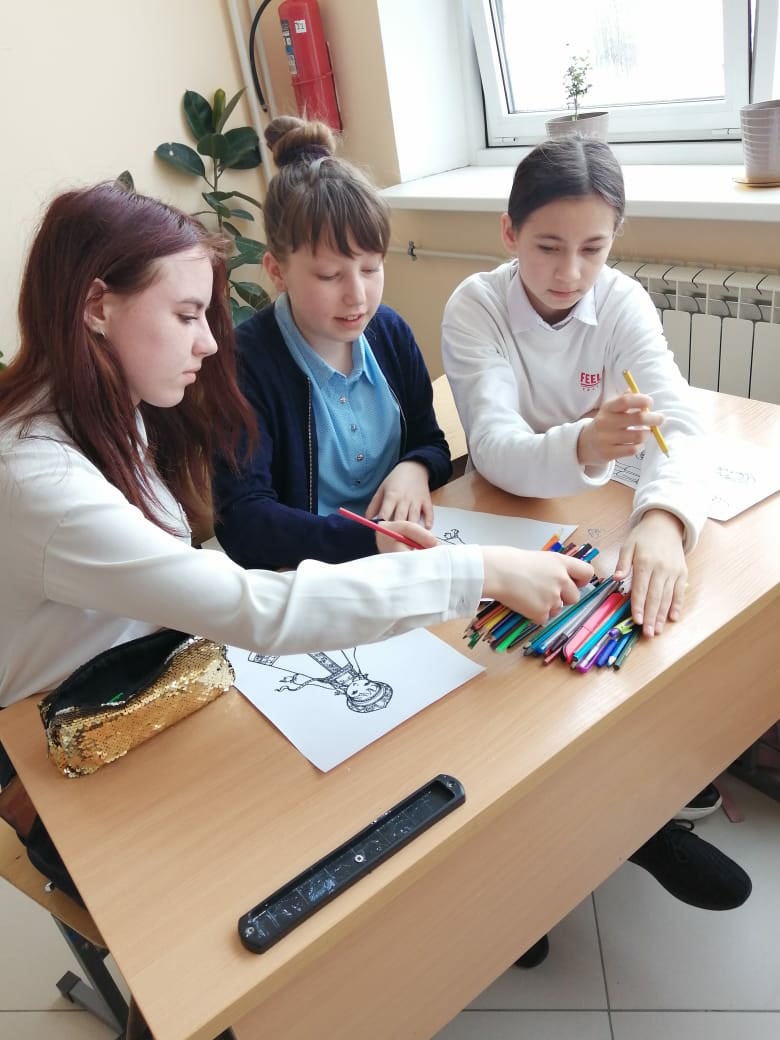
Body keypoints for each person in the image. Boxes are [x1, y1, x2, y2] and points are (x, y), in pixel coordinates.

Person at [0, 181, 594, 850]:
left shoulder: (109, 415)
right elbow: (254, 606)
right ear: (96, 307)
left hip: (160, 689)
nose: (208, 343)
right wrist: (478, 570)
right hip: (70, 740)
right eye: (187, 316)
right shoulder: (38, 479)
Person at [440, 135, 750, 968]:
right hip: (502, 514)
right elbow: (495, 449)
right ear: (509, 232)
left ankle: (629, 822)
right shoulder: (475, 305)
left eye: (593, 249)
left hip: (593, 514)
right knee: (506, 693)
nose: (570, 272)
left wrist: (664, 520)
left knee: (618, 652)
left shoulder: (622, 301)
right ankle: (535, 867)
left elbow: (683, 427)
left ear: (615, 243)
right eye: (547, 246)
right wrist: (585, 442)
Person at [212, 115, 449, 571]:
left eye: (371, 268)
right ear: (277, 271)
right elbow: (243, 520)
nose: (357, 296)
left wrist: (415, 467)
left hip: (401, 558)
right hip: (308, 575)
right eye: (328, 275)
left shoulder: (389, 332)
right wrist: (369, 540)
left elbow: (431, 441)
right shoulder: (245, 361)